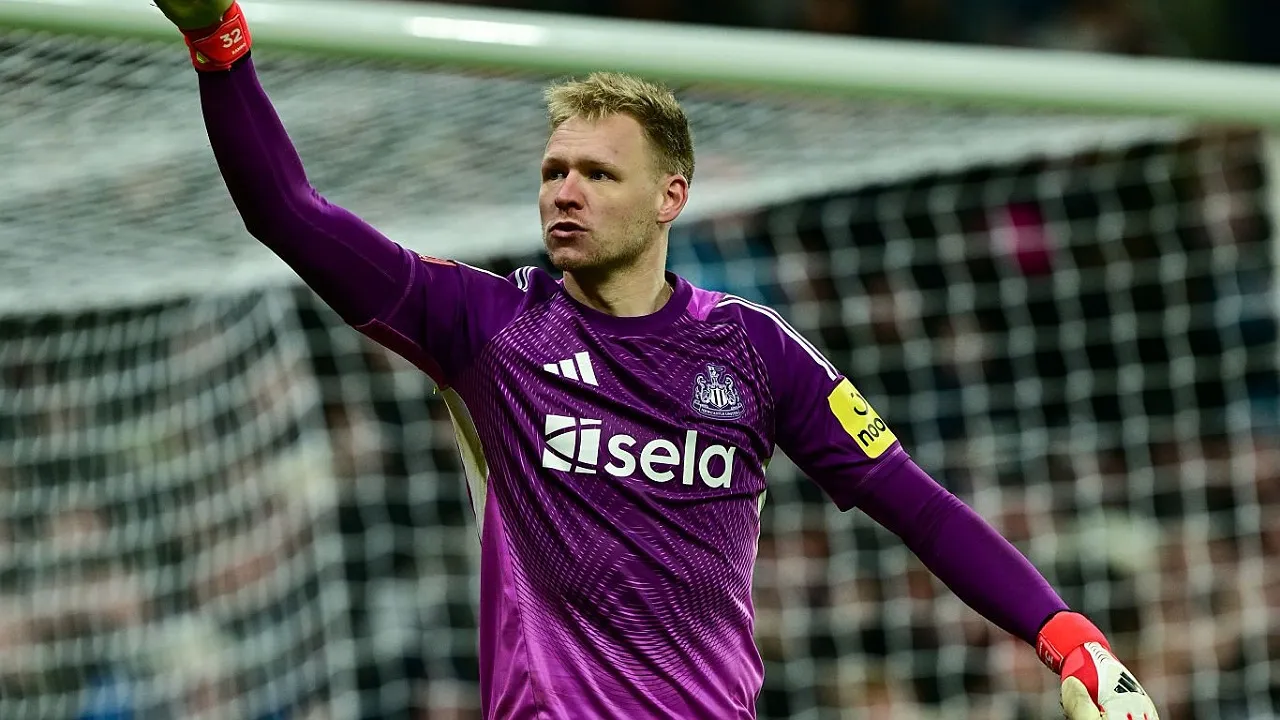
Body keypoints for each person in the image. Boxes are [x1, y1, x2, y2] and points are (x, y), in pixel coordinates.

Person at [151, 1, 1162, 718]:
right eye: (553, 171)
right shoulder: (486, 325)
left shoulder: (756, 350)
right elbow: (287, 213)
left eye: (597, 172)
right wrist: (218, 43)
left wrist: (1060, 630)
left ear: (670, 197)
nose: (565, 191)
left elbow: (915, 503)